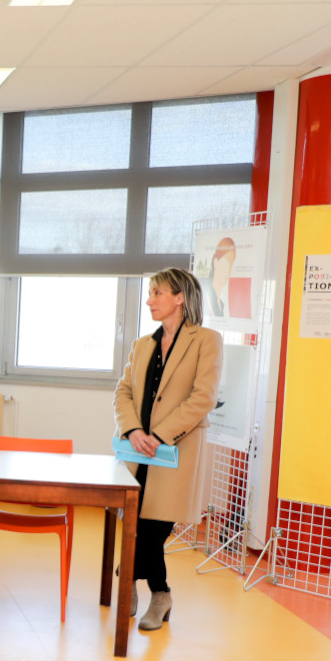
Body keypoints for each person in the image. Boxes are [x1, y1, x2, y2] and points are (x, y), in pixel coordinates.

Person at [113, 267, 221, 632]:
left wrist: (158, 435)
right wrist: (132, 430)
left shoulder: (206, 340)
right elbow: (123, 392)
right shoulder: (142, 344)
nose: (149, 300)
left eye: (157, 293)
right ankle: (158, 592)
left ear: (180, 297)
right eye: (150, 293)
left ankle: (130, 578)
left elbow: (202, 398)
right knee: (134, 522)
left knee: (154, 528)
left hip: (174, 451)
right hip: (136, 452)